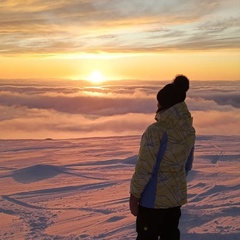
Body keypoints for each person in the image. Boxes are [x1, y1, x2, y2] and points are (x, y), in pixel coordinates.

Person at [129, 75, 196, 240]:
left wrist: (134, 197)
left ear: (166, 105)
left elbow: (144, 168)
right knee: (171, 235)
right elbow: (187, 166)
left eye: (159, 102)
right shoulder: (189, 130)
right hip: (175, 199)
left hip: (152, 202)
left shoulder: (156, 131)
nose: (157, 105)